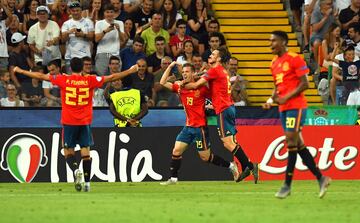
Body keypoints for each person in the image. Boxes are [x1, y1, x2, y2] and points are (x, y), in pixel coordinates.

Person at [14, 57, 138, 192]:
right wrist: (130, 70)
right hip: (85, 122)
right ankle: (88, 183)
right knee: (86, 153)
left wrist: (21, 70)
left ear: (70, 68)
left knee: (68, 152)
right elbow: (113, 76)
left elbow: (40, 76)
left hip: (69, 122)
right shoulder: (90, 80)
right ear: (82, 68)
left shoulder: (63, 79)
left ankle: (75, 170)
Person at [263, 30, 331, 199]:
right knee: (297, 144)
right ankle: (321, 178)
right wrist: (270, 101)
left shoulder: (294, 59)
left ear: (283, 42)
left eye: (274, 41)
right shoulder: (274, 63)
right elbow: (277, 87)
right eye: (270, 41)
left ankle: (287, 184)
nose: (271, 44)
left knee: (291, 140)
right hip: (283, 109)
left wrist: (285, 97)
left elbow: (305, 84)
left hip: (296, 107)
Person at [184, 46, 259, 183]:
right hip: (229, 107)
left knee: (227, 143)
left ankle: (249, 165)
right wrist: (198, 74)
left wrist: (182, 84)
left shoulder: (214, 70)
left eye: (213, 54)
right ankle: (247, 165)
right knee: (232, 141)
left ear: (219, 58)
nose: (210, 55)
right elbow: (205, 77)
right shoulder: (222, 71)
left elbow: (195, 86)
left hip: (223, 109)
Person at [159, 62, 240, 185]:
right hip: (188, 127)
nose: (184, 74)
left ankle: (230, 165)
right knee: (176, 151)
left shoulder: (201, 88)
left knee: (205, 157)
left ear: (192, 73)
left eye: (187, 72)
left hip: (200, 128)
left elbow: (216, 97)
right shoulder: (180, 87)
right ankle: (173, 179)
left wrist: (212, 106)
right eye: (183, 72)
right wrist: (170, 67)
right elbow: (162, 82)